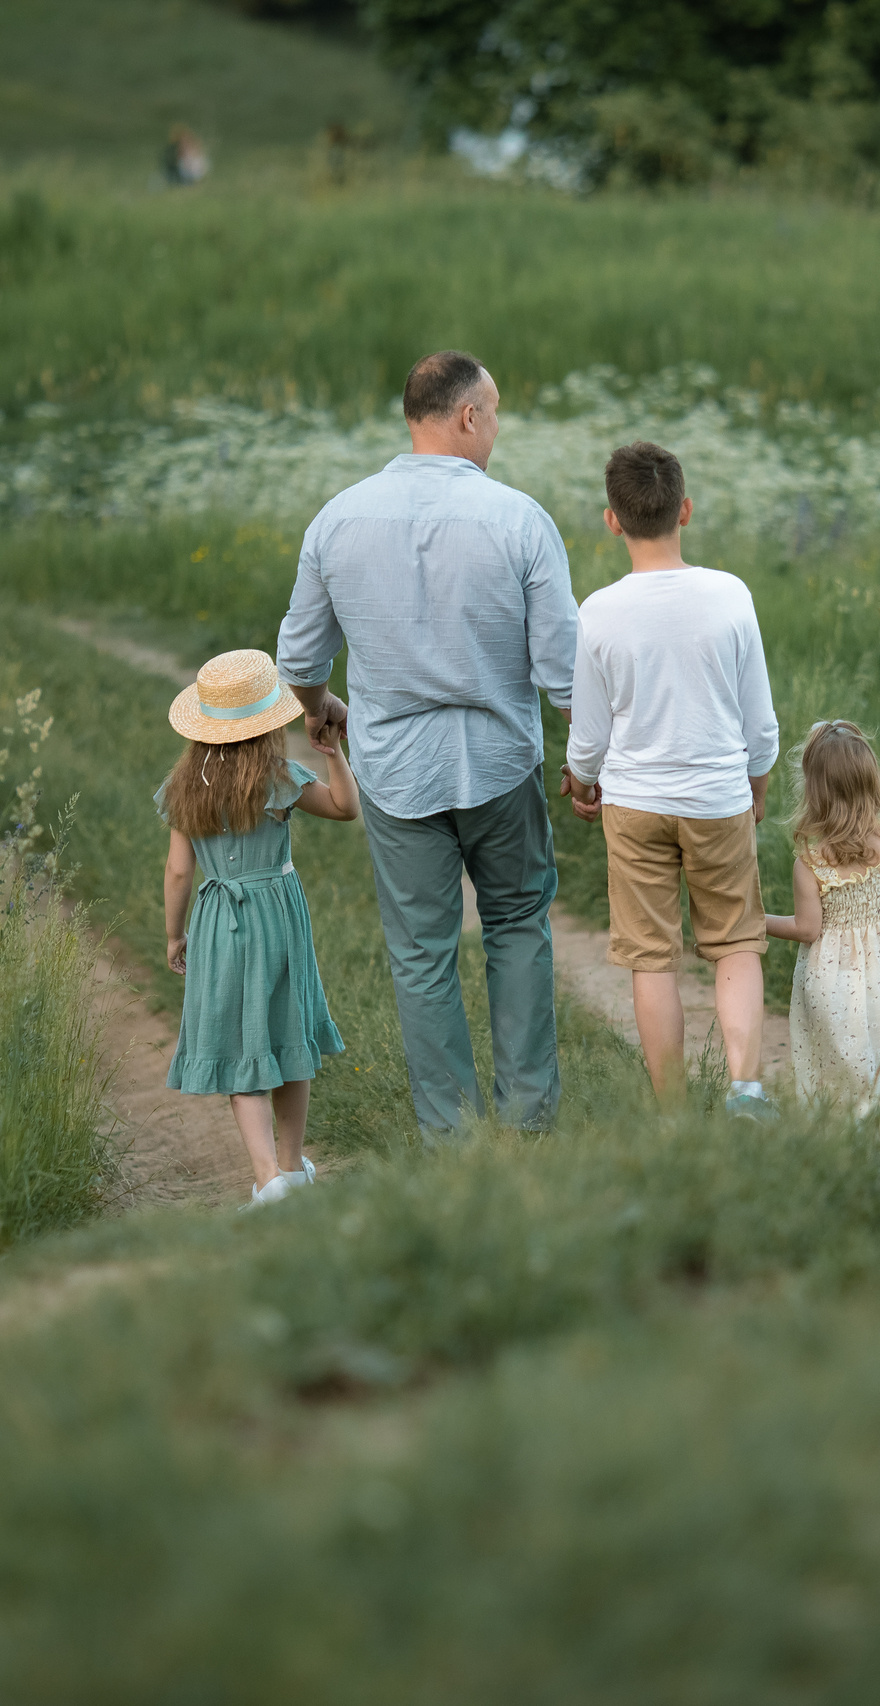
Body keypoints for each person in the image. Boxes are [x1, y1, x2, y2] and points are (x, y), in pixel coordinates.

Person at [278, 351, 578, 1135]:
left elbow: (300, 662)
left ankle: (452, 1139)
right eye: (497, 411)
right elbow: (563, 672)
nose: (499, 427)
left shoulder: (337, 518)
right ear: (468, 417)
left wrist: (320, 708)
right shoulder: (519, 519)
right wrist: (592, 762)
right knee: (517, 926)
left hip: (394, 768)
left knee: (421, 953)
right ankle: (528, 1126)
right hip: (501, 762)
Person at [561, 442, 782, 1119]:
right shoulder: (730, 596)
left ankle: (674, 1113)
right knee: (736, 942)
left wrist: (581, 781)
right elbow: (760, 723)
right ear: (685, 509)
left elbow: (590, 733)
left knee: (651, 957)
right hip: (718, 795)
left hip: (635, 802)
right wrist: (757, 787)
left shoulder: (597, 611)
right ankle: (746, 1089)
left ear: (612, 520)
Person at [160, 649, 361, 1205]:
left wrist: (176, 935)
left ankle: (268, 1178)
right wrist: (333, 753)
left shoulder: (184, 788)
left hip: (220, 920)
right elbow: (346, 808)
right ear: (265, 723)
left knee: (239, 1041)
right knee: (286, 1032)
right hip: (278, 914)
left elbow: (180, 870)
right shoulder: (277, 780)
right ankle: (293, 1168)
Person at [765, 720, 880, 1173]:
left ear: (814, 791)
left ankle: (848, 1139)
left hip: (830, 978)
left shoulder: (810, 861)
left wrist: (759, 921)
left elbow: (808, 929)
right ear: (871, 782)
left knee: (844, 1056)